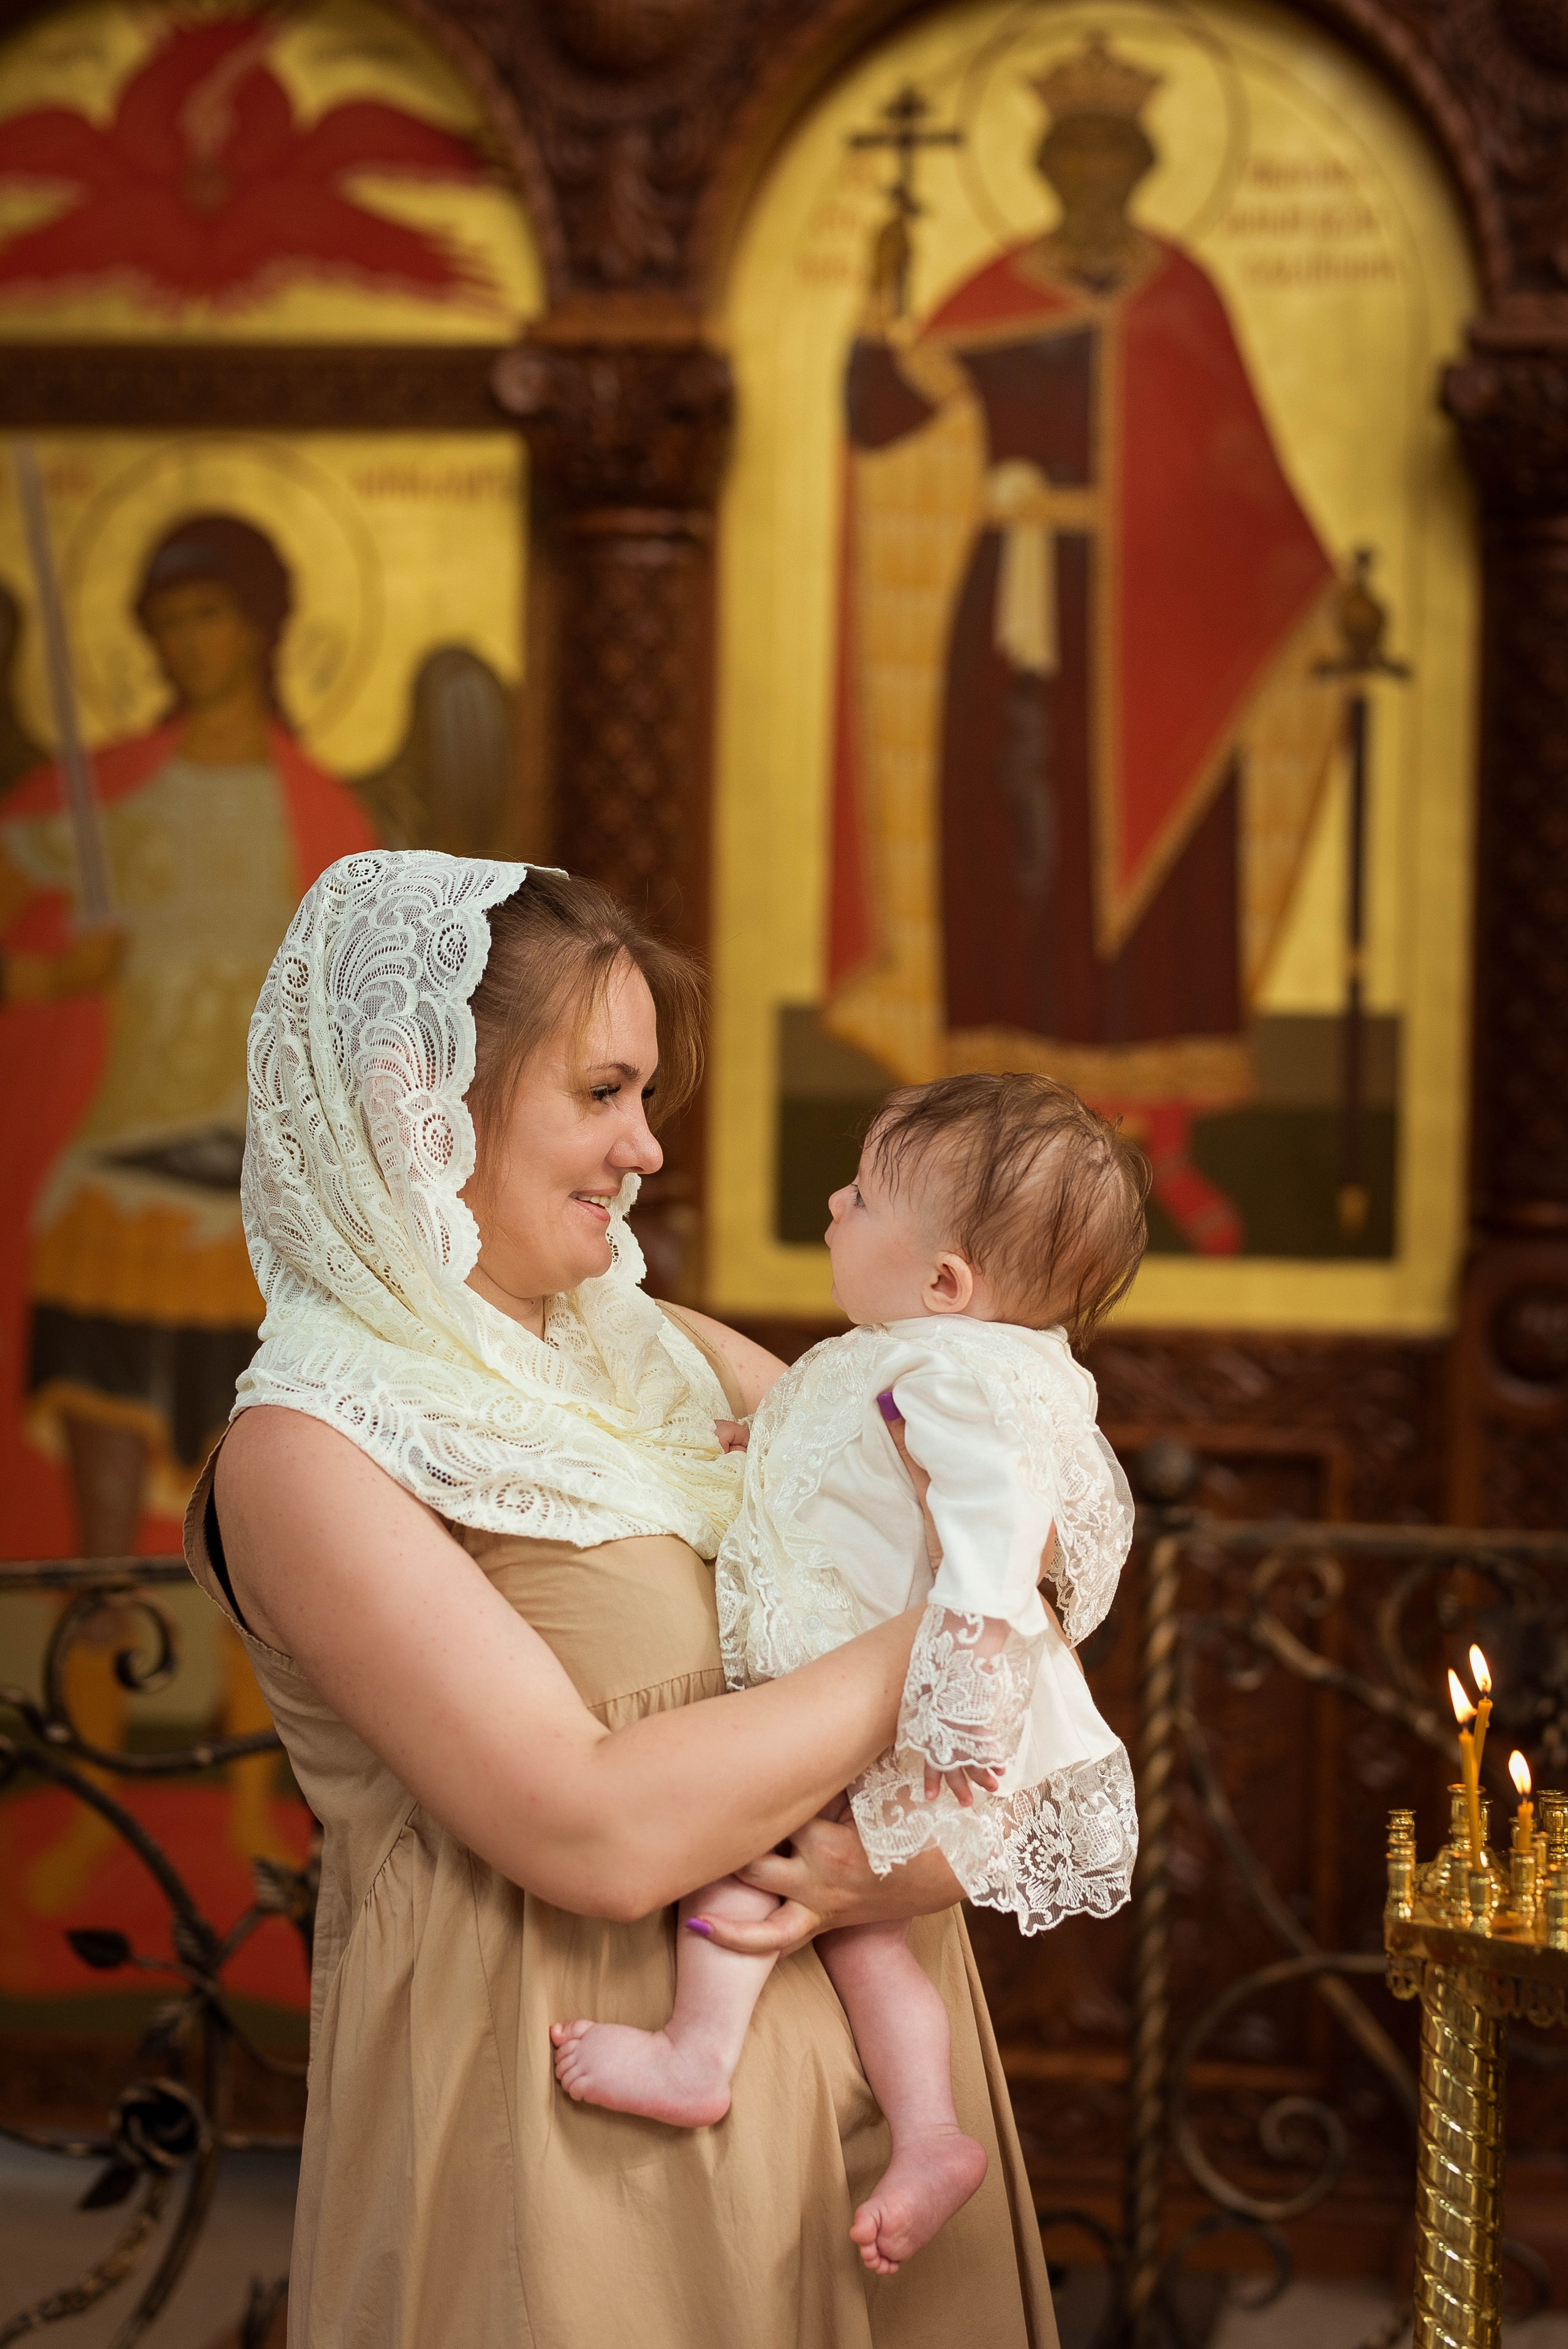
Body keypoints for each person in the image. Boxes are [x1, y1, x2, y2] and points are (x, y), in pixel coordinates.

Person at [187, 851, 1057, 2345]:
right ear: (420, 1092)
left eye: (645, 1096)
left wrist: (908, 1867)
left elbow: (1021, 1615)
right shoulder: (308, 1449)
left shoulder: (683, 1351)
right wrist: (950, 1625)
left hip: (881, 2122)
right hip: (580, 2157)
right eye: (601, 1092)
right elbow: (591, 1827)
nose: (646, 1149)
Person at [553, 1073, 1143, 2276]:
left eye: (862, 1195)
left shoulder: (955, 1377)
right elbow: (853, 1459)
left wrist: (956, 1719)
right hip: (879, 1695)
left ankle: (697, 2052)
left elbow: (994, 1548)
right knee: (857, 1936)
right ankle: (928, 2133)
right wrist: (762, 1443)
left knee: (738, 1842)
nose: (834, 1201)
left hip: (893, 1704)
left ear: (944, 1282)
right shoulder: (921, 1360)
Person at [826, 34, 1341, 1254]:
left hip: (1161, 641)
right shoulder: (995, 289)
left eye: (1116, 153)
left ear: (1145, 164)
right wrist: (876, 306)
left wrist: (1311, 594)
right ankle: (998, 1157)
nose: (1094, 174)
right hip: (1016, 625)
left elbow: (1243, 479)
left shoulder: (1181, 296)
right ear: (1052, 168)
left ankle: (1165, 1152)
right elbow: (885, 415)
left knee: (1162, 894)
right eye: (1074, 154)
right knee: (1015, 865)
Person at [0, 512, 373, 1898]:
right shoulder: (89, 801)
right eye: (165, 622)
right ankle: (94, 1791)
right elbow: (14, 966)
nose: (185, 644)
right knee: (107, 1501)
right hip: (113, 1174)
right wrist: (56, 975)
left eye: (209, 615)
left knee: (254, 1508)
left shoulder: (322, 813)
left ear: (265, 625)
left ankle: (245, 1798)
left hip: (243, 1195)